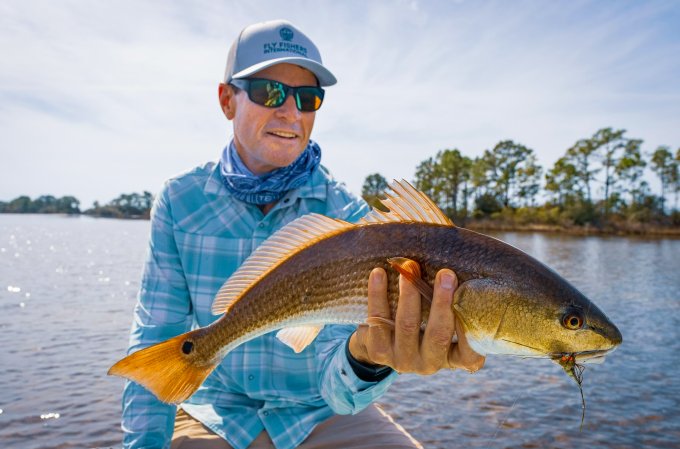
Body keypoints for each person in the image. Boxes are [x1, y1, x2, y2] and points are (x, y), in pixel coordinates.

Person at [120, 19, 485, 449]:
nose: (291, 112)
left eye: (308, 98)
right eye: (268, 92)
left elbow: (337, 378)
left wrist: (367, 359)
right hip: (216, 412)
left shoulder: (351, 217)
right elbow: (156, 337)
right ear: (226, 100)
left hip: (319, 413)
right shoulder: (180, 201)